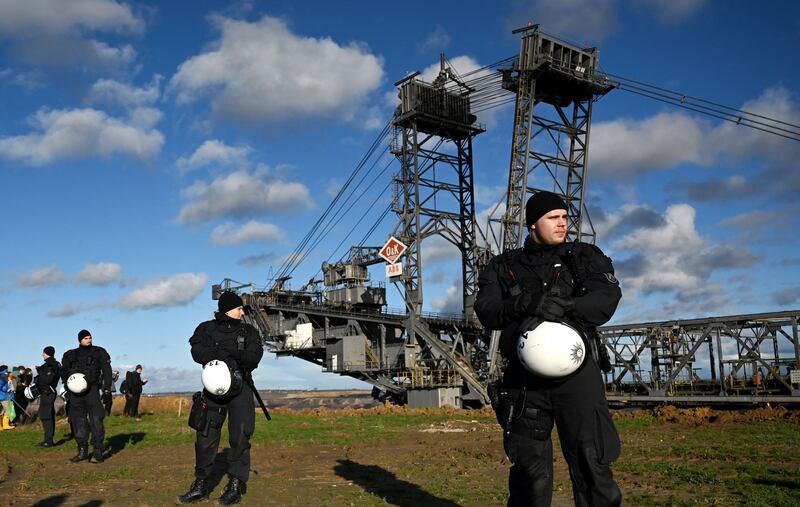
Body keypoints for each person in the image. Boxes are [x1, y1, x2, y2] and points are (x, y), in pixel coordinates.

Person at [475, 191, 623, 507]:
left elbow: (606, 298)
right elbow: (487, 311)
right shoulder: (503, 266)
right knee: (529, 475)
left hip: (578, 380)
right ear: (532, 224)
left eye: (565, 217)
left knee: (592, 465)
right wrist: (525, 302)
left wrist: (569, 306)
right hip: (525, 384)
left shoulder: (584, 257)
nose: (562, 223)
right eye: (552, 218)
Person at [178, 291, 264, 505]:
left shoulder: (249, 331)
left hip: (241, 388)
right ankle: (201, 485)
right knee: (205, 437)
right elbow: (197, 352)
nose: (242, 312)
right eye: (239, 308)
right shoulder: (205, 329)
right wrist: (219, 354)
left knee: (241, 437)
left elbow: (254, 357)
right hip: (212, 390)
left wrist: (233, 355)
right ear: (228, 309)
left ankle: (235, 485)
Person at [61, 329, 112, 463]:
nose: (89, 340)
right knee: (79, 422)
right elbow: (64, 371)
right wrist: (67, 385)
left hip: (92, 390)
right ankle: (82, 451)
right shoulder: (70, 355)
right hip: (75, 394)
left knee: (96, 420)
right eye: (86, 338)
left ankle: (98, 451)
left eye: (90, 337)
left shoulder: (99, 352)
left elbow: (107, 371)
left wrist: (107, 389)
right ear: (80, 340)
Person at [35, 346, 61, 447]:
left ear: (46, 353)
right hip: (49, 392)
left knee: (46, 416)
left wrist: (40, 371)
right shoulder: (55, 364)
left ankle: (48, 441)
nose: (42, 355)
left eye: (43, 353)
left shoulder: (51, 365)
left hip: (47, 393)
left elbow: (47, 380)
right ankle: (48, 439)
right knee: (48, 415)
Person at [0, 365, 14, 430]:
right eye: (6, 369)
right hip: (3, 396)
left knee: (3, 411)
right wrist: (6, 389)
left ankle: (1, 426)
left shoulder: (2, 375)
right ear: (4, 369)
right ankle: (5, 425)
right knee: (8, 409)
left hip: (3, 396)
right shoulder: (2, 376)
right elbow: (1, 385)